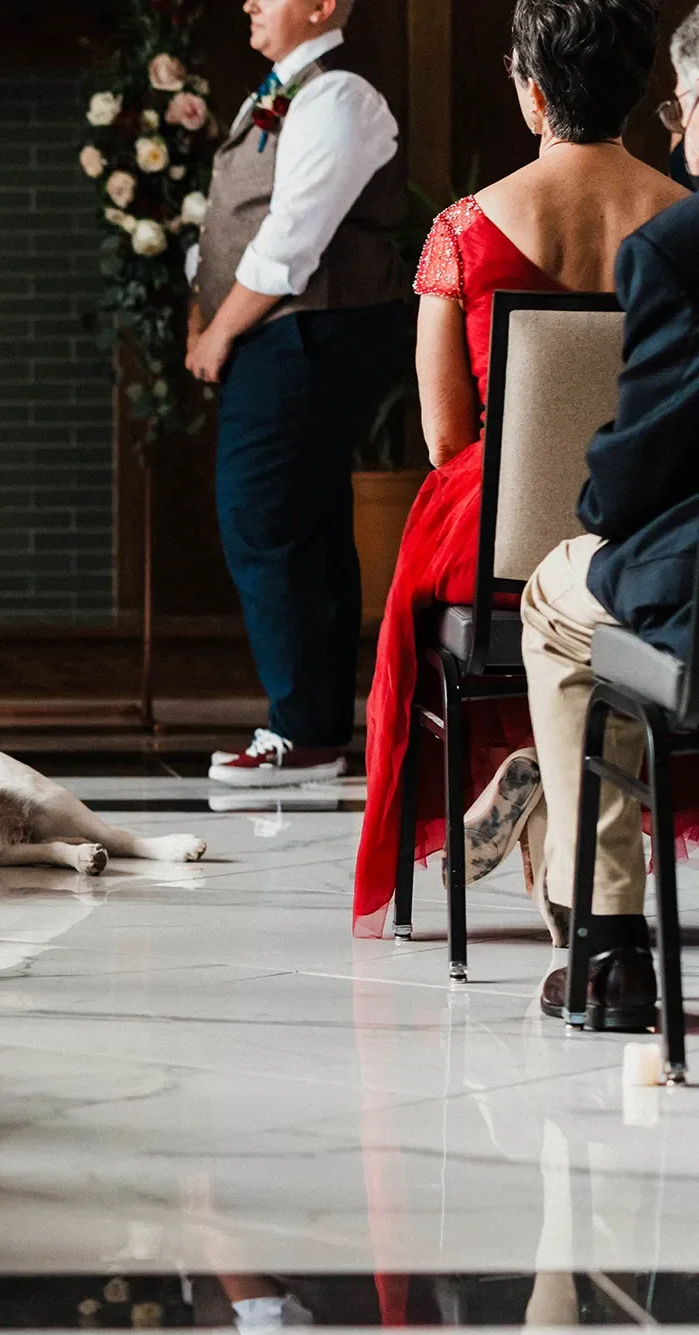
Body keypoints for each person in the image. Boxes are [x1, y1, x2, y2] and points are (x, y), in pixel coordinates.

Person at [352, 0, 683, 940]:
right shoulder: (685, 224)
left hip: (497, 534)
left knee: (431, 586)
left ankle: (540, 769)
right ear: (639, 88)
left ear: (533, 95)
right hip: (646, 528)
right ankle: (586, 804)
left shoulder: (461, 229)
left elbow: (445, 435)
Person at [521, 3, 699, 1030]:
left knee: (556, 593)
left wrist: (594, 505)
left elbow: (638, 471)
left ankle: (607, 947)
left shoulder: (677, 247)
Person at [187, 0, 407, 786]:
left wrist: (220, 333)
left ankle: (304, 731)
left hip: (310, 334)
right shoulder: (276, 92)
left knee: (265, 512)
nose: (247, 0)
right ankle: (312, 729)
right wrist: (198, 311)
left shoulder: (342, 97)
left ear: (321, 6)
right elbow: (226, 223)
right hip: (273, 334)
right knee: (298, 520)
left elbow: (290, 243)